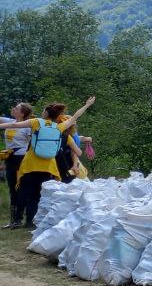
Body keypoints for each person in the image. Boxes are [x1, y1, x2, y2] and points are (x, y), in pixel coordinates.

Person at [0, 97, 95, 228]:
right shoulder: (60, 127)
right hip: (49, 167)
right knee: (39, 193)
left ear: (45, 113)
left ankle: (17, 220)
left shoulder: (37, 122)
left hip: (30, 164)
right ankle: (31, 221)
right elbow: (74, 117)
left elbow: (14, 125)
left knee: (24, 191)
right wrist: (87, 105)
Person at [2, 102, 33, 227]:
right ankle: (13, 220)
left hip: (21, 158)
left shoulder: (27, 126)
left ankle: (19, 218)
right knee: (11, 187)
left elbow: (32, 143)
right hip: (9, 157)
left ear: (22, 113)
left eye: (16, 108)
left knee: (19, 187)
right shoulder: (10, 121)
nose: (13, 109)